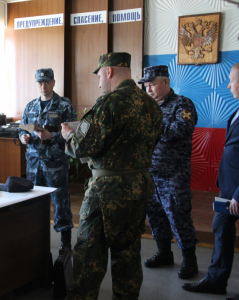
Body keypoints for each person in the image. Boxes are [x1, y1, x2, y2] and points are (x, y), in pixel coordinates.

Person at [61, 52, 162, 300]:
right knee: (128, 253)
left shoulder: (108, 103)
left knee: (88, 253)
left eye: (100, 76)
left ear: (108, 71)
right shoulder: (151, 104)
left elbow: (80, 147)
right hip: (138, 189)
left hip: (106, 192)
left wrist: (68, 136)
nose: (99, 83)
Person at [182, 63, 239, 300]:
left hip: (237, 192)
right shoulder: (237, 110)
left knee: (222, 228)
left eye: (232, 79)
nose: (228, 84)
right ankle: (216, 281)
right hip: (229, 188)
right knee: (221, 229)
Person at [137, 65, 199, 279]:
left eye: (152, 84)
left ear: (165, 82)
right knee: (155, 215)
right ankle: (164, 253)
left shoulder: (182, 104)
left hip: (174, 173)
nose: (149, 89)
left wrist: (152, 128)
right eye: (146, 86)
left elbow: (182, 129)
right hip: (151, 172)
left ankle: (190, 260)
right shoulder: (148, 107)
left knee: (178, 216)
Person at [19, 68, 77, 250]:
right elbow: (23, 129)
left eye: (46, 82)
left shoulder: (64, 105)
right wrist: (24, 137)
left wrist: (51, 137)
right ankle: (36, 238)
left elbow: (72, 134)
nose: (43, 86)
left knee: (60, 202)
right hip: (34, 164)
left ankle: (65, 242)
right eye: (40, 83)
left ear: (53, 82)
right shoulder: (30, 106)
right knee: (34, 202)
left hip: (56, 164)